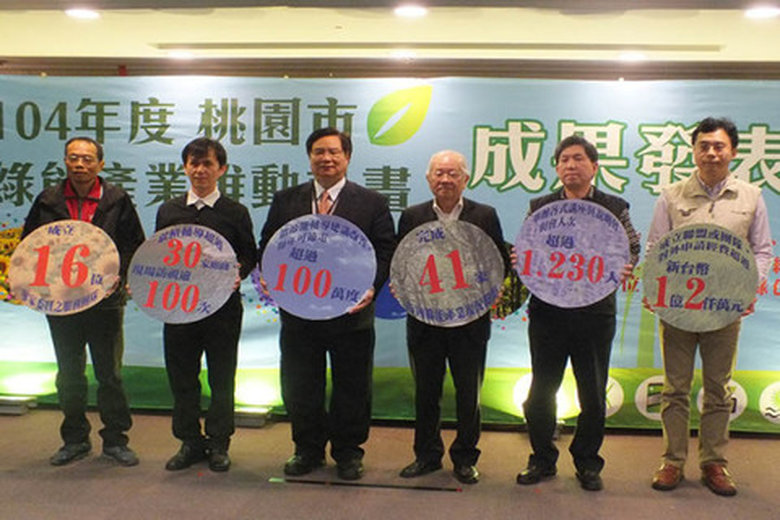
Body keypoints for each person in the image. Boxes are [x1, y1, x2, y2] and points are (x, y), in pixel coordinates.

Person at [258, 128, 395, 481]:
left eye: (334, 152)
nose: (326, 158)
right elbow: (269, 243)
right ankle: (307, 449)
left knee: (353, 385)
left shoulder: (372, 202)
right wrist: (268, 274)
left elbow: (385, 250)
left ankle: (348, 452)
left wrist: (371, 287)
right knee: (301, 383)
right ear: (309, 158)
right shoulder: (286, 200)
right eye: (319, 152)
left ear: (347, 157)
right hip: (299, 312)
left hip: (351, 313)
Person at [645, 117, 773, 496]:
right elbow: (655, 248)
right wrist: (656, 289)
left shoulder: (751, 196)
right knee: (675, 388)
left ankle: (714, 463)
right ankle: (672, 461)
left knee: (719, 388)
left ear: (733, 151)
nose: (711, 153)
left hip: (724, 309)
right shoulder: (671, 195)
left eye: (719, 146)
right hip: (679, 308)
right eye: (704, 146)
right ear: (694, 151)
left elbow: (762, 250)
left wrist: (748, 288)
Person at [515, 135, 640, 491]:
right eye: (564, 160)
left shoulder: (614, 207)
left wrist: (627, 264)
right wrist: (520, 258)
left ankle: (587, 462)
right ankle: (541, 458)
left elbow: (631, 246)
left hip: (594, 313)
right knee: (541, 390)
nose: (571, 165)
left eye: (578, 158)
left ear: (594, 166)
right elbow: (527, 245)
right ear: (557, 168)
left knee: (593, 393)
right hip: (548, 313)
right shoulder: (540, 206)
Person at [21, 136, 145, 467]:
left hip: (105, 301)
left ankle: (116, 440)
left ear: (100, 164)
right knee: (69, 374)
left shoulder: (117, 199)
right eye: (73, 158)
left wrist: (120, 273)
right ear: (65, 161)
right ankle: (74, 439)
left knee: (110, 374)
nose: (80, 164)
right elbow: (30, 245)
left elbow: (134, 244)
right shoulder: (48, 200)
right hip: (61, 301)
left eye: (87, 159)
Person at [396, 150, 509, 485]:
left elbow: (499, 262)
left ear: (466, 179)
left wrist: (493, 288)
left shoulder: (484, 215)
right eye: (439, 173)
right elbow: (402, 262)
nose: (445, 179)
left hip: (469, 322)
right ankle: (426, 455)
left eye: (453, 173)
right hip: (425, 320)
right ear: (428, 178)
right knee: (426, 392)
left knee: (468, 393)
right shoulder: (412, 216)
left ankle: (465, 458)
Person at [156, 137, 257, 473]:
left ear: (221, 169)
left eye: (208, 164)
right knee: (182, 377)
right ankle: (189, 441)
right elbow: (158, 254)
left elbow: (249, 254)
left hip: (222, 309)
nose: (200, 170)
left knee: (221, 377)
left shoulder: (235, 212)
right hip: (178, 308)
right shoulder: (168, 210)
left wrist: (238, 271)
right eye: (194, 164)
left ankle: (219, 442)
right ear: (185, 168)